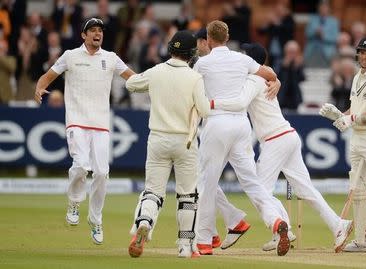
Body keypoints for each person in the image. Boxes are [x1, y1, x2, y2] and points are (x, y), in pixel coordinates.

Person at [211, 42, 353, 253]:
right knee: (305, 189)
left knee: (259, 191)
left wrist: (211, 103)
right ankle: (337, 225)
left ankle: (281, 230)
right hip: (288, 135)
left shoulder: (252, 80)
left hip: (275, 139)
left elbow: (240, 103)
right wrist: (275, 78)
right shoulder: (264, 78)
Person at [34, 18, 135, 245]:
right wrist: (39, 87)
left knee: (101, 172)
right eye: (92, 30)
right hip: (77, 121)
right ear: (84, 35)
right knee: (80, 165)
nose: (97, 34)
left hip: (101, 124)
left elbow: (134, 78)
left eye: (100, 30)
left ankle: (95, 219)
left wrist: (158, 84)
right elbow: (48, 76)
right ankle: (74, 201)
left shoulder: (111, 58)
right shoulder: (70, 56)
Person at [194, 20, 290, 256]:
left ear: (208, 38)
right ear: (227, 38)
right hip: (241, 125)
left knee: (207, 182)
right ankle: (276, 221)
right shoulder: (242, 59)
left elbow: (191, 91)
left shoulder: (202, 63)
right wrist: (275, 81)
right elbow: (270, 73)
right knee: (252, 182)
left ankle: (205, 240)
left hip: (216, 123)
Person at [125, 30, 210, 259]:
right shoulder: (195, 78)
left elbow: (131, 84)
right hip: (186, 141)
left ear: (170, 49)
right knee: (187, 195)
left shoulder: (156, 71)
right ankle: (185, 246)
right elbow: (205, 110)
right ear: (192, 54)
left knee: (153, 191)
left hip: (158, 139)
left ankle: (144, 223)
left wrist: (152, 85)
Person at [319, 36, 366, 253]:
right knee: (359, 191)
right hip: (358, 139)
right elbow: (356, 111)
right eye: (361, 52)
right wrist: (338, 115)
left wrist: (351, 119)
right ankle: (363, 240)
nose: (364, 56)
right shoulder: (357, 77)